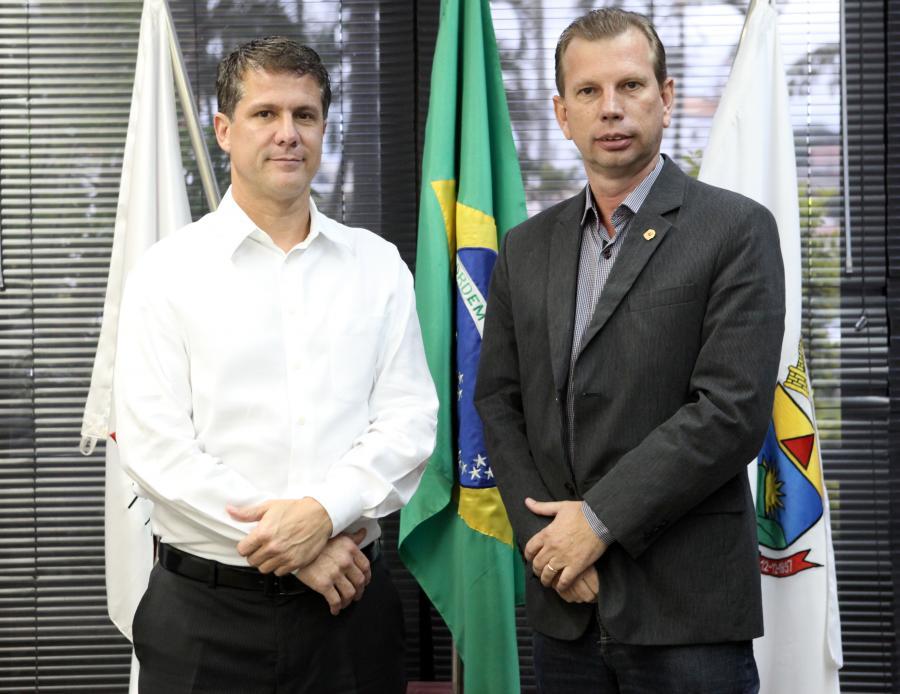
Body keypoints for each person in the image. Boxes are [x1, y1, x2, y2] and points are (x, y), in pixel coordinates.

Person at [474, 8, 785, 693]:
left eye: (631, 86)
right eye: (588, 92)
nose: (610, 108)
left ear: (666, 98)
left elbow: (730, 412)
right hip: (567, 607)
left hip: (687, 615)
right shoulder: (526, 248)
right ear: (561, 113)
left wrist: (598, 522)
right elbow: (498, 403)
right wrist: (549, 546)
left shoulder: (734, 230)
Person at [114, 37, 438, 693]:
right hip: (204, 620)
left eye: (305, 115)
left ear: (323, 127)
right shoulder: (167, 273)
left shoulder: (376, 266)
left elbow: (409, 423)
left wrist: (324, 510)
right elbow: (156, 447)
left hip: (349, 614)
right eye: (265, 114)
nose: (287, 134)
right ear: (224, 130)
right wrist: (300, 547)